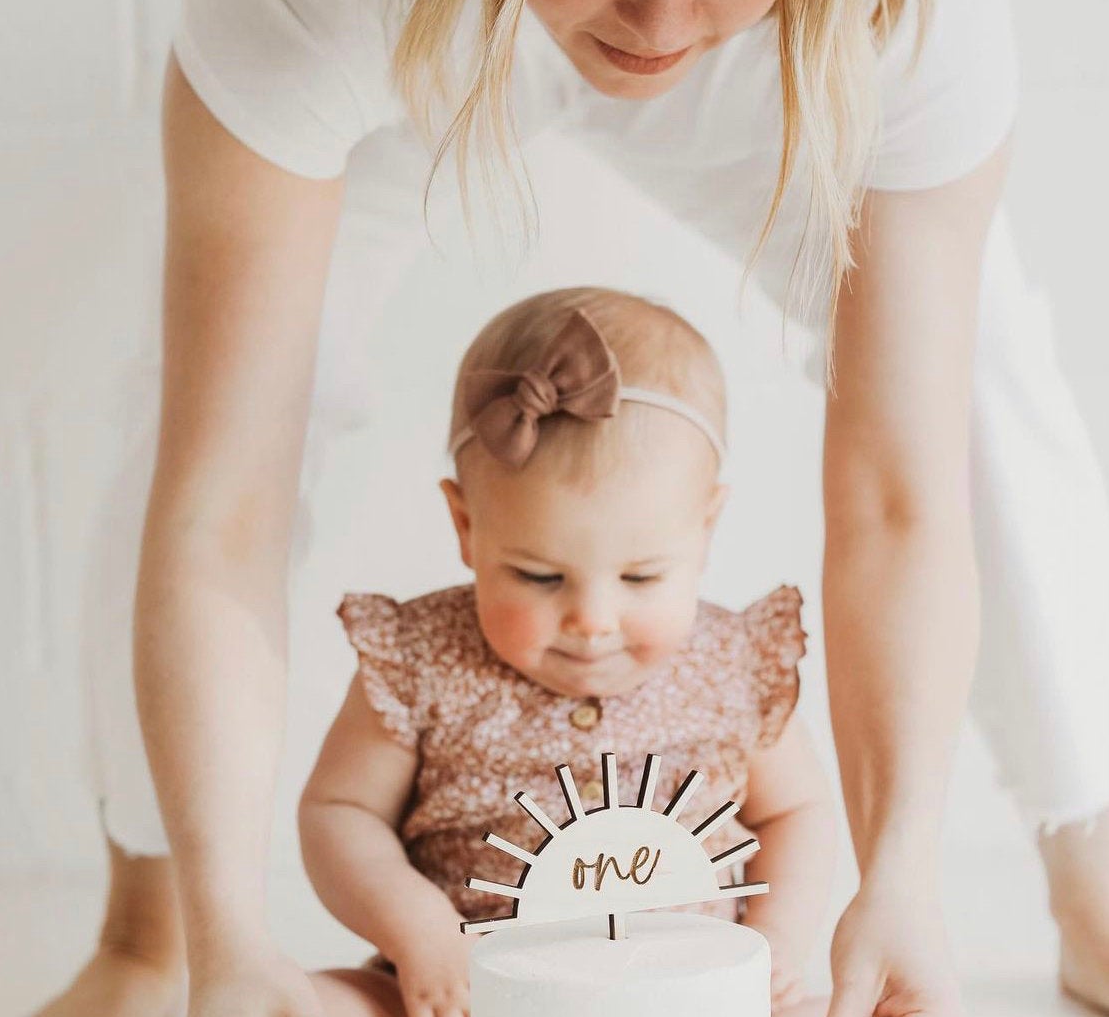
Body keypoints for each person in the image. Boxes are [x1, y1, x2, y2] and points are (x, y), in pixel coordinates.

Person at [33, 0, 1109, 1016]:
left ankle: (1100, 901)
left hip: (791, 50)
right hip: (432, 1)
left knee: (982, 366)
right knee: (196, 397)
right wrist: (229, 936)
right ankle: (150, 931)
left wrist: (898, 872)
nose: (663, 14)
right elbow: (225, 494)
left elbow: (901, 490)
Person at [300, 288, 836, 1016]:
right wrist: (418, 932)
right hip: (464, 992)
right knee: (299, 1004)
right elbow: (340, 811)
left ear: (706, 528)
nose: (591, 619)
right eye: (539, 575)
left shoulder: (734, 664)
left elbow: (796, 811)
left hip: (689, 994)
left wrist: (777, 941)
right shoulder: (420, 660)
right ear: (466, 524)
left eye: (642, 576)